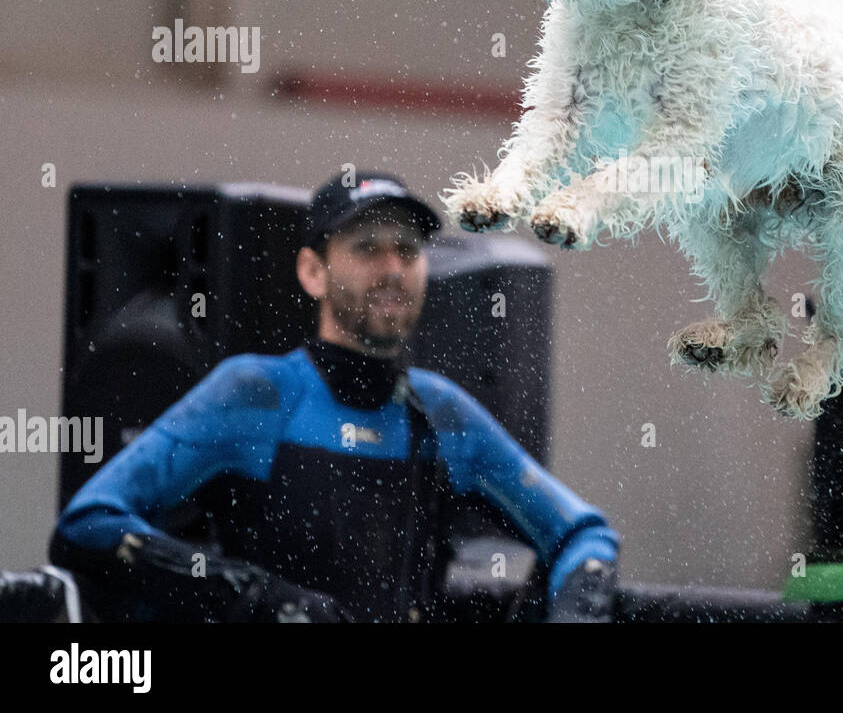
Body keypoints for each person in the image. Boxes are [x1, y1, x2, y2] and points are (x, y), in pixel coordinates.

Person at [49, 171, 620, 622]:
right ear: (313, 272)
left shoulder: (443, 413)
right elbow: (87, 524)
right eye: (367, 248)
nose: (393, 268)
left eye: (408, 249)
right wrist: (259, 597)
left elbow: (583, 534)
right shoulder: (256, 394)